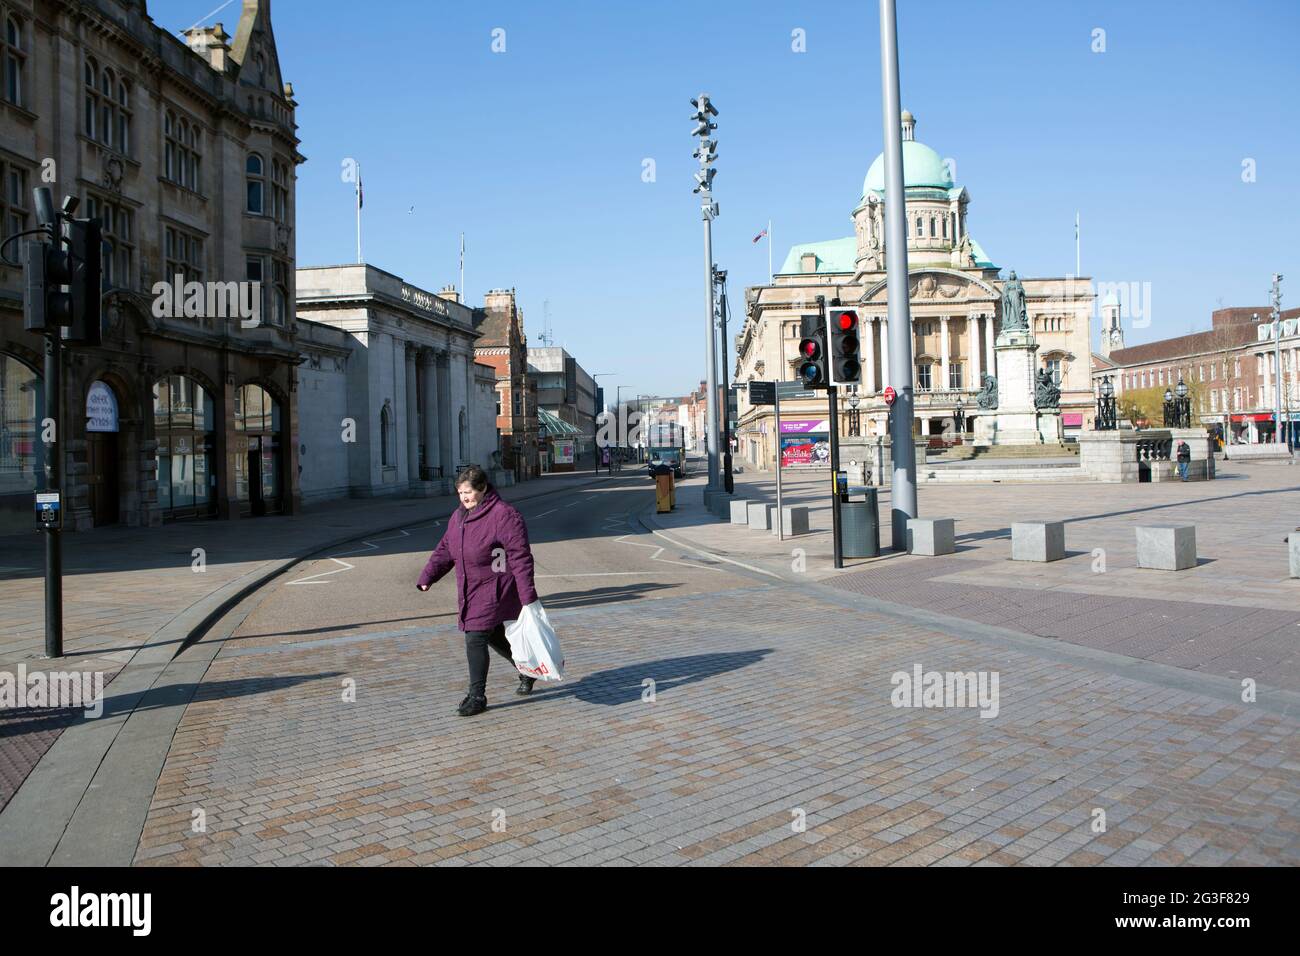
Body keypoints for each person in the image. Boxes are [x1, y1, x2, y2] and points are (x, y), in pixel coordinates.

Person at [416, 464, 539, 716]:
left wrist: (528, 597)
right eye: (460, 493)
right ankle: (527, 669)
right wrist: (428, 576)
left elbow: (520, 556)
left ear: (482, 489)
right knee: (492, 636)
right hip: (470, 587)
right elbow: (445, 550)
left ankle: (477, 696)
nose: (464, 498)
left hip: (495, 587)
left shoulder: (504, 515)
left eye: (468, 492)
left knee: (474, 637)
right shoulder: (458, 517)